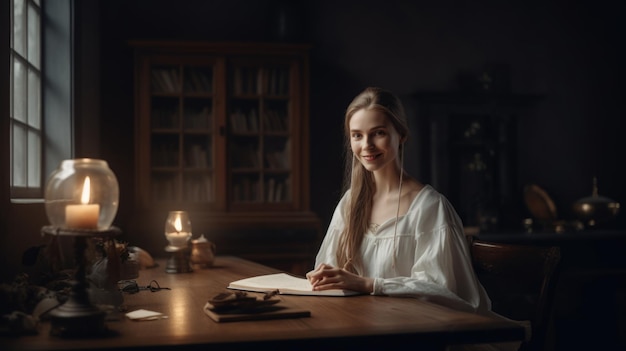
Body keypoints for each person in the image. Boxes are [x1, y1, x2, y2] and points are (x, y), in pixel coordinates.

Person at [306, 87, 522, 351]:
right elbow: (329, 271)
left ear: (402, 135)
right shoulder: (350, 203)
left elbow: (445, 293)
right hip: (363, 332)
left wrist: (369, 284)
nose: (367, 146)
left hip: (418, 340)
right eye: (357, 136)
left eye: (379, 133)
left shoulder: (430, 208)